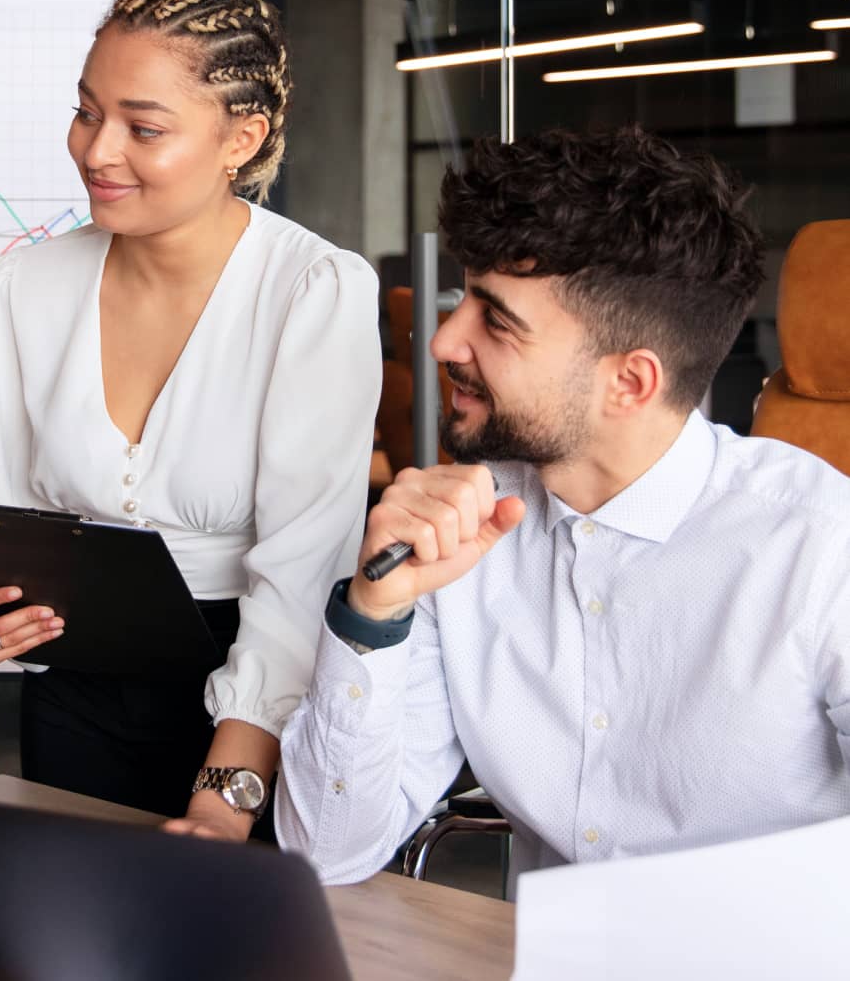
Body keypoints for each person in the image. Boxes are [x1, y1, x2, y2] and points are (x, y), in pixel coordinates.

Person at [277, 125, 850, 884]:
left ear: (631, 383)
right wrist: (373, 615)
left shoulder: (819, 544)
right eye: (460, 303)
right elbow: (326, 851)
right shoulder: (463, 532)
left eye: (497, 321)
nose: (444, 341)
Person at [0, 0, 382, 836]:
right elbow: (6, 525)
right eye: (86, 112)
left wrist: (227, 794)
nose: (97, 151)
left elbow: (302, 570)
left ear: (241, 139)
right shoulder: (25, 286)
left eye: (143, 128)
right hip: (74, 693)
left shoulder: (312, 289)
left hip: (253, 707)